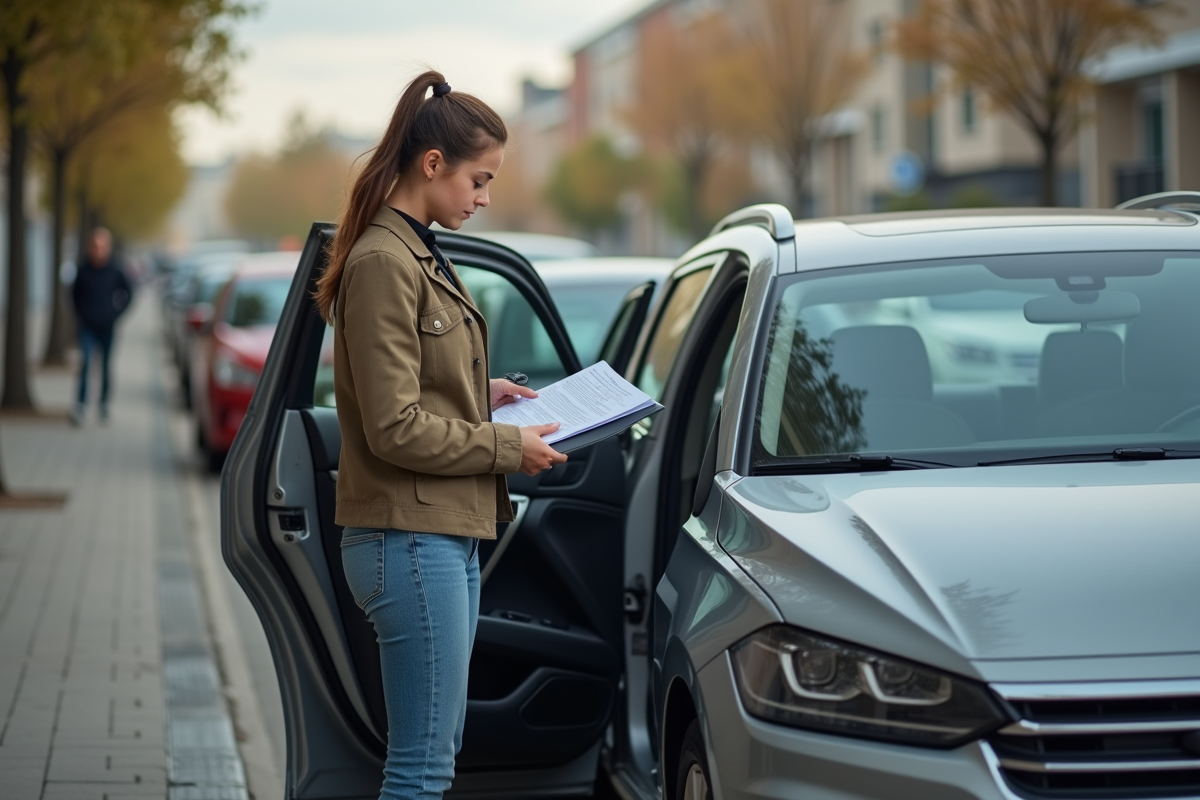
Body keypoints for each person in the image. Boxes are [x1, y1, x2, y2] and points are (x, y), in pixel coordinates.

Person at [312, 70, 568, 800]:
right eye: (479, 180)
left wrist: (479, 395)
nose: (484, 198)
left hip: (434, 534)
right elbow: (392, 427)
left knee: (434, 755)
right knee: (422, 767)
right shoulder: (385, 263)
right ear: (433, 165)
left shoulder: (411, 251)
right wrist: (507, 446)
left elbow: (407, 387)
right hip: (407, 538)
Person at [71, 227, 133, 425]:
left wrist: (116, 314)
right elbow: (74, 295)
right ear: (90, 247)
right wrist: (81, 314)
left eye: (102, 246)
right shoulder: (83, 270)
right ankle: (81, 405)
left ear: (108, 247)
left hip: (108, 326)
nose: (98, 250)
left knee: (106, 366)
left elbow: (129, 292)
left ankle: (104, 404)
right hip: (87, 326)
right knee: (86, 363)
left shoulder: (115, 270)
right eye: (95, 246)